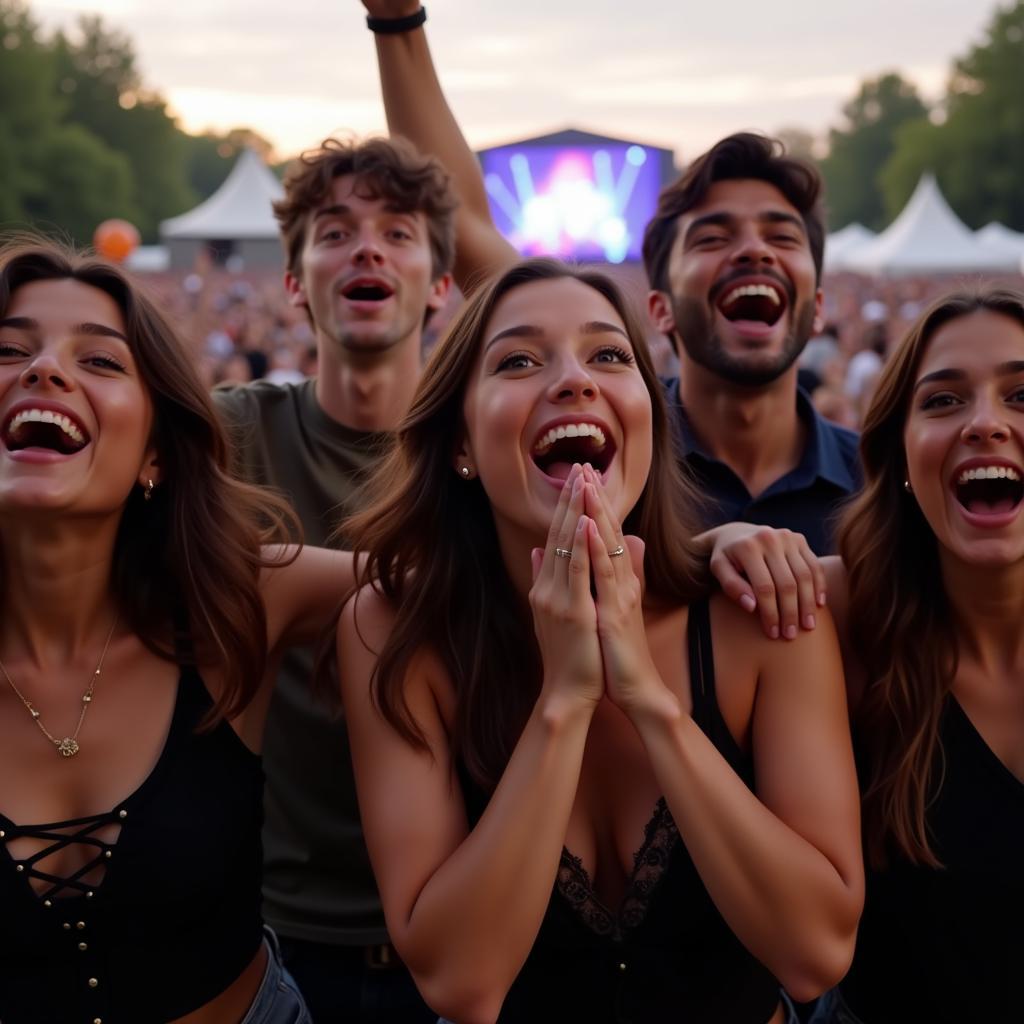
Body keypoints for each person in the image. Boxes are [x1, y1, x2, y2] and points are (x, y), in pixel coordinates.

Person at [338, 258, 864, 1023]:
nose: (574, 381)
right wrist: (566, 698)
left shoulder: (761, 615)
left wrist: (649, 699)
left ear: (649, 422)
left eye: (610, 355)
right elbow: (461, 985)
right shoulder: (390, 633)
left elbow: (814, 952)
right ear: (459, 441)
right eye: (518, 360)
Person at [357, 2, 861, 579]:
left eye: (780, 235)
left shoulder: (885, 484)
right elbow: (461, 216)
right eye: (713, 237)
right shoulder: (611, 443)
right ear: (659, 308)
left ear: (819, 305)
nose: (753, 251)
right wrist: (397, 21)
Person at [0, 238, 357, 1023]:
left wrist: (688, 551)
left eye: (99, 361)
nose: (43, 369)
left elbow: (466, 577)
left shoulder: (238, 599)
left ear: (155, 451)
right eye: (8, 349)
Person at [714, 289, 1024, 1023]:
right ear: (902, 458)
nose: (986, 423)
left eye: (1022, 393)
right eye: (944, 400)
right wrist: (717, 545)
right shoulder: (837, 614)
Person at [213, 135, 455, 1021]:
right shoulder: (227, 440)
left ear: (440, 284)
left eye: (398, 233)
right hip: (276, 935)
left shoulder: (493, 444)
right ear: (292, 282)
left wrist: (732, 537)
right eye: (336, 232)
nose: (366, 249)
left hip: (471, 924)